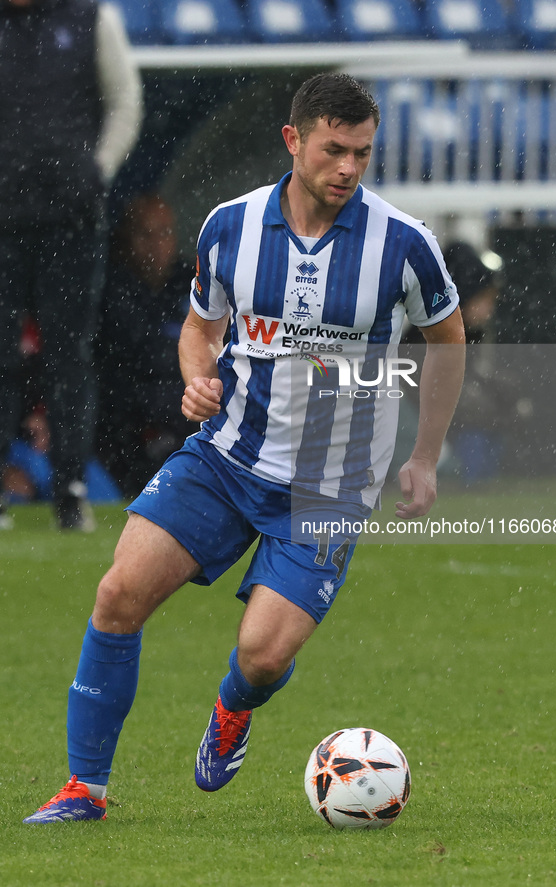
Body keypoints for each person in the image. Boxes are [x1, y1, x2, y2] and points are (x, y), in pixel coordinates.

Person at [23, 72, 465, 823]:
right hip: (225, 458)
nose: (348, 168)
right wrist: (197, 381)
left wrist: (424, 455)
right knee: (117, 595)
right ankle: (82, 789)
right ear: (293, 140)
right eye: (333, 149)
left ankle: (235, 706)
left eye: (361, 152)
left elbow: (447, 342)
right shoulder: (229, 225)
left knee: (261, 654)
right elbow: (202, 327)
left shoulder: (403, 245)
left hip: (330, 485)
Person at [0, 0, 142, 531]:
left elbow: (126, 101)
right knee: (1, 357)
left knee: (69, 358)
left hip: (71, 222)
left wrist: (96, 173)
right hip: (3, 219)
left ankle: (70, 493)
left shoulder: (89, 18)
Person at [96, 193, 193, 498]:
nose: (156, 244)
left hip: (191, 404)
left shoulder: (192, 281)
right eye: (145, 233)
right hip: (131, 420)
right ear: (124, 239)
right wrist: (194, 347)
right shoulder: (110, 289)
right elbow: (144, 354)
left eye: (164, 232)